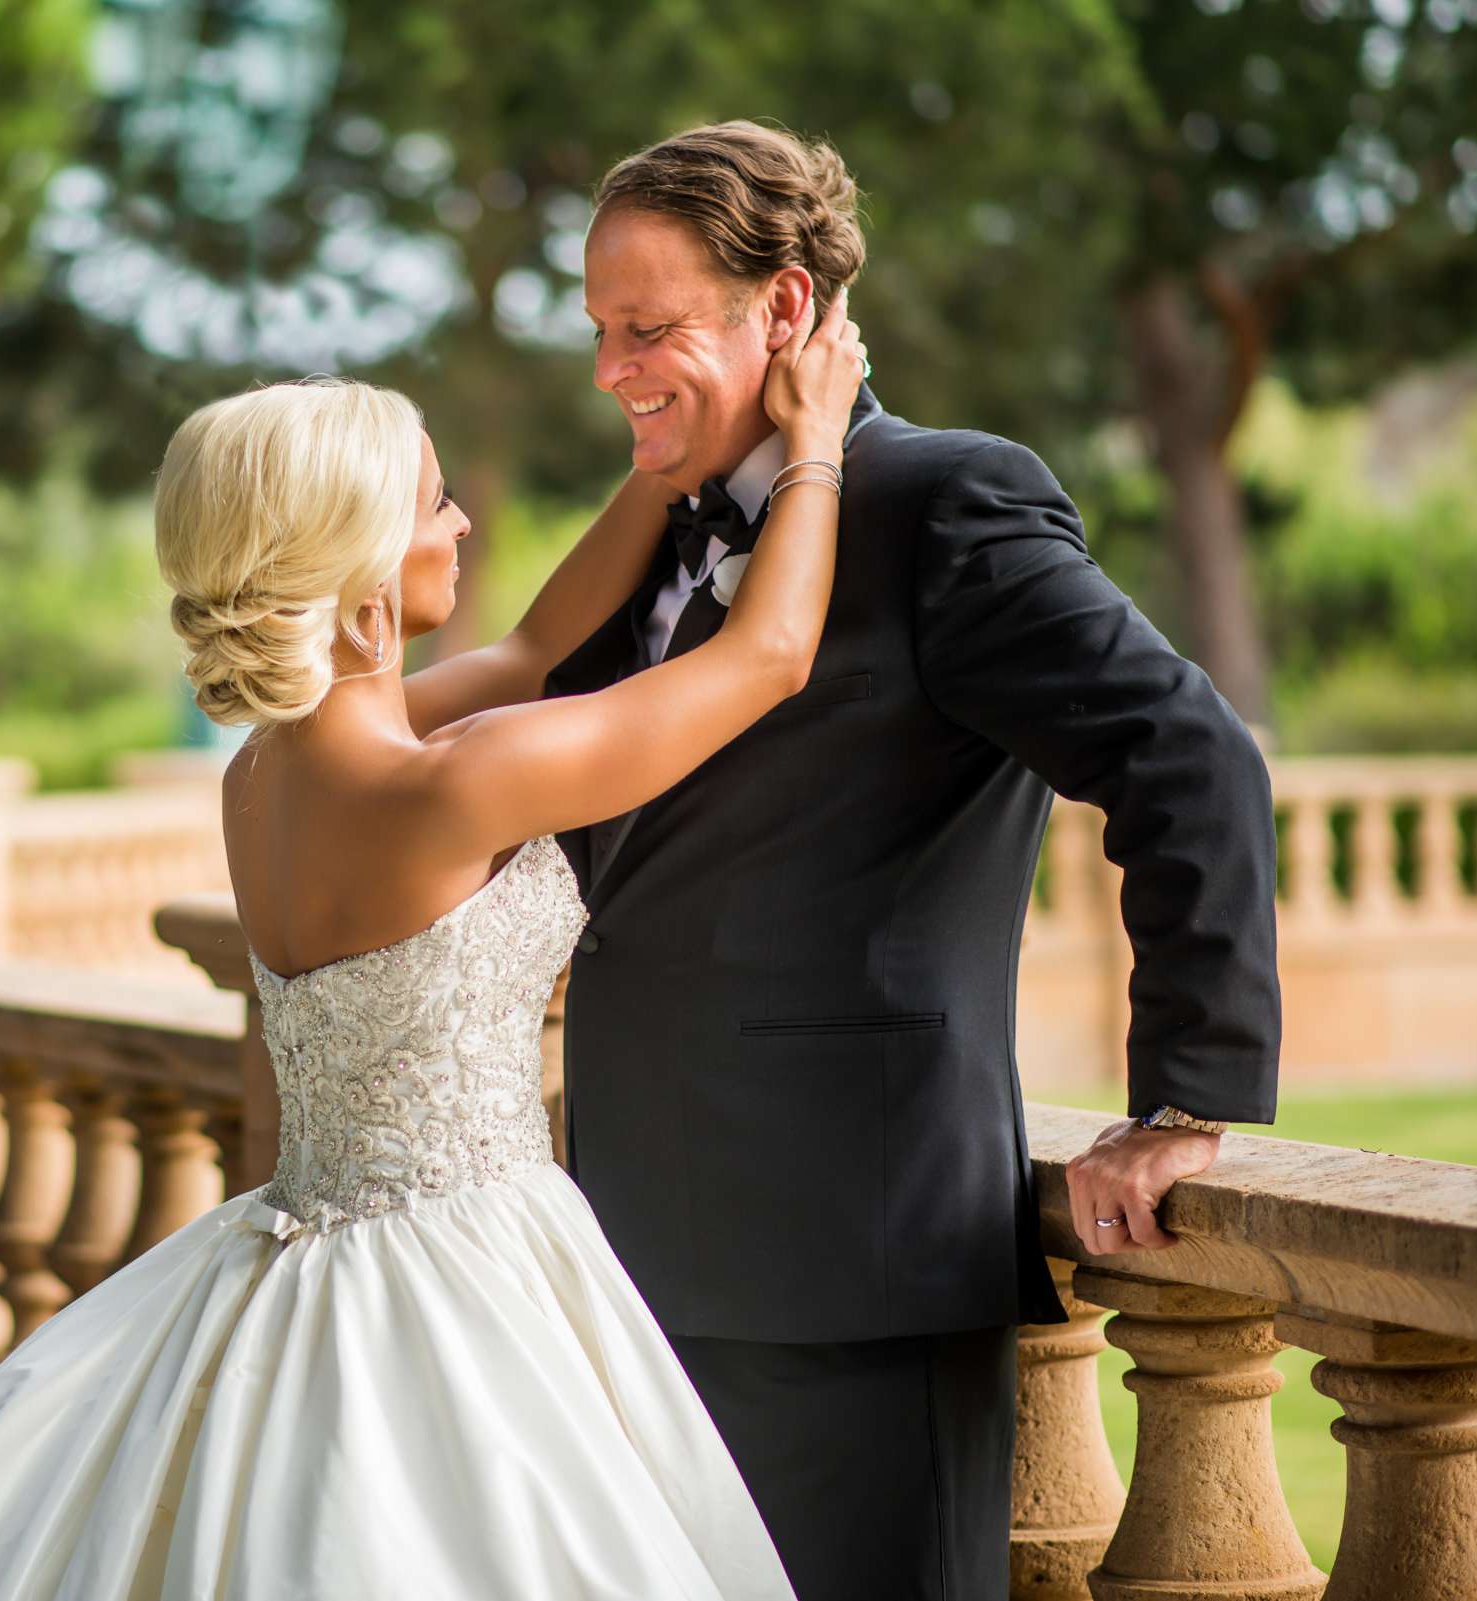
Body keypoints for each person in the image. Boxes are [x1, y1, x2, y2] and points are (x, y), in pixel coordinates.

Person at [0, 300, 868, 1600]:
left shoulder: (261, 777)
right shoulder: (455, 789)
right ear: (353, 566)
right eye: (434, 502)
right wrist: (817, 446)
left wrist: (657, 472)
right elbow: (772, 655)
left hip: (291, 1247)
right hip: (462, 1276)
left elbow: (530, 648)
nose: (460, 524)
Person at [549, 121, 1283, 1600]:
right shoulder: (659, 530)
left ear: (787, 309)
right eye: (600, 331)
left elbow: (1192, 756)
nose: (615, 368)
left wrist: (1189, 1092)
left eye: (652, 328)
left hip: (852, 1258)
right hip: (639, 1252)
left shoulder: (949, 504)